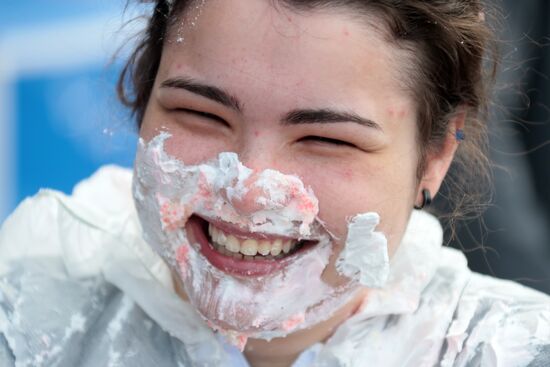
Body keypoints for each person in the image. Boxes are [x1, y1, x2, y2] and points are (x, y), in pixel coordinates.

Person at [1, 0, 549, 366]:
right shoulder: (24, 312)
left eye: (327, 140)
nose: (249, 189)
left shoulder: (511, 350)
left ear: (433, 160)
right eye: (203, 115)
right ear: (144, 103)